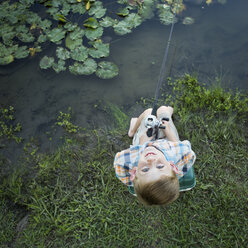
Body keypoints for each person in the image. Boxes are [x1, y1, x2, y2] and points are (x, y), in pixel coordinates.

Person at [113, 106, 196, 206]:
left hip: (143, 141)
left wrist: (142, 144)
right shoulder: (177, 155)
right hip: (167, 141)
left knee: (148, 112)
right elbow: (184, 148)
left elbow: (119, 161)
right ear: (173, 166)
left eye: (145, 169)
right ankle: (167, 111)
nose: (151, 159)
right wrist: (168, 131)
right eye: (160, 166)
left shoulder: (131, 160)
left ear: (134, 172)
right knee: (164, 111)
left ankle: (132, 131)